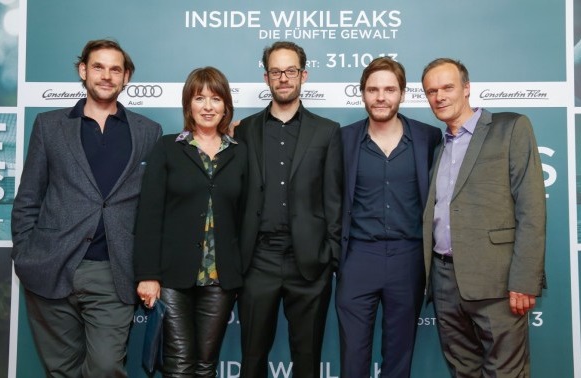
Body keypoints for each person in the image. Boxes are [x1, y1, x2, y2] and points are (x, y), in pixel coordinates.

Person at [11, 38, 163, 377]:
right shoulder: (49, 125)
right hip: (50, 264)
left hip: (113, 271)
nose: (106, 76)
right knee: (60, 369)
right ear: (83, 70)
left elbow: (153, 209)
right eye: (98, 66)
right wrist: (25, 254)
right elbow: (28, 197)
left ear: (126, 77)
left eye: (115, 69)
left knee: (106, 367)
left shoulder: (148, 132)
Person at [421, 58, 546, 377]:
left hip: (498, 282)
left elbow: (531, 208)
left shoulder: (511, 127)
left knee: (505, 372)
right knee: (463, 370)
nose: (440, 96)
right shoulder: (438, 145)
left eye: (447, 87)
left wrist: (524, 280)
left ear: (466, 88)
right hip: (445, 280)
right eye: (431, 91)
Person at [234, 41, 343, 378]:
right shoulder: (245, 130)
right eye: (276, 71)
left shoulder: (327, 131)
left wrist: (331, 254)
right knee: (252, 358)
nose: (284, 78)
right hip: (257, 261)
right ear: (266, 77)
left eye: (291, 71)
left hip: (309, 263)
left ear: (303, 75)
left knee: (307, 360)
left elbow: (334, 199)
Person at [133, 66, 247, 377]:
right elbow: (149, 215)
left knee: (206, 364)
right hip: (172, 276)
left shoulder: (240, 152)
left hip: (220, 278)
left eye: (216, 99)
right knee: (180, 363)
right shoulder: (169, 148)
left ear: (226, 106)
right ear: (188, 105)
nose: (208, 107)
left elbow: (246, 217)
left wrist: (241, 272)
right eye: (200, 98)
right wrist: (147, 275)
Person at [335, 57, 442, 378]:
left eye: (389, 89)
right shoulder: (343, 139)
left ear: (402, 94)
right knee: (353, 357)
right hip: (357, 258)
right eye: (373, 89)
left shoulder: (428, 137)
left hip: (408, 259)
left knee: (399, 357)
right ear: (363, 94)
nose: (381, 97)